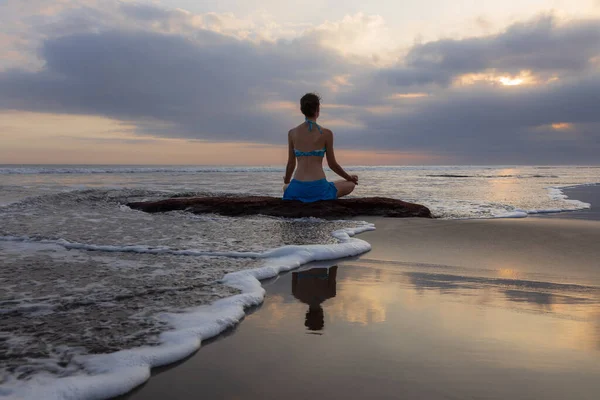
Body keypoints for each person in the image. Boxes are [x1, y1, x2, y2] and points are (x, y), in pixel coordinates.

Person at [282, 93, 358, 203]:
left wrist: (287, 180)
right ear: (318, 109)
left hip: (298, 188)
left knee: (286, 187)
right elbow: (332, 164)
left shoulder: (292, 133)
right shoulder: (326, 133)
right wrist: (349, 178)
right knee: (350, 184)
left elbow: (291, 164)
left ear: (302, 110)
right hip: (319, 188)